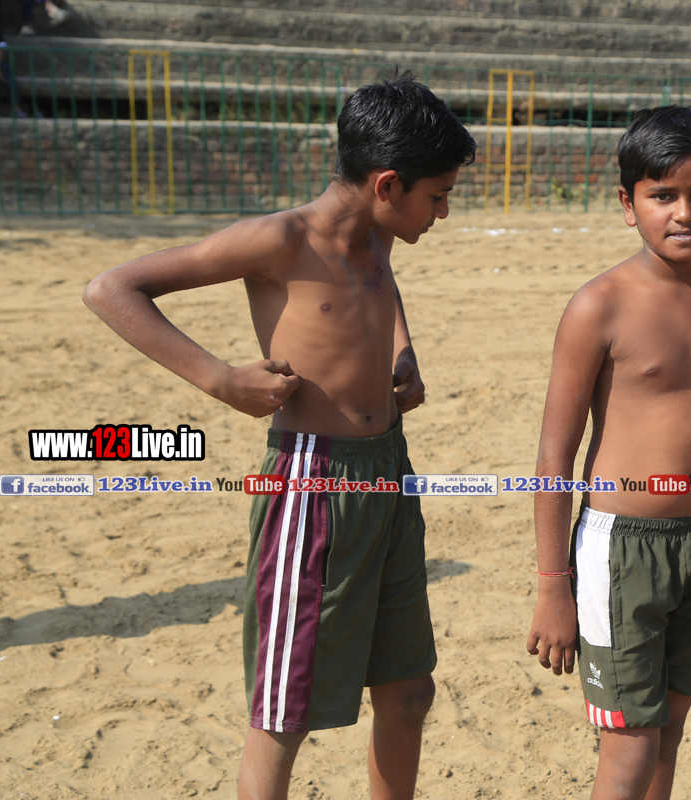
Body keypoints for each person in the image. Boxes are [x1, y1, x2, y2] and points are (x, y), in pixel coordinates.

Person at [82, 73, 476, 800]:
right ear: (387, 185)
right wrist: (220, 379)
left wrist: (402, 352)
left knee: (408, 690)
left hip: (390, 473)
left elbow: (382, 292)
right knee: (283, 713)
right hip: (312, 487)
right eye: (438, 195)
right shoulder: (279, 239)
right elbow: (111, 289)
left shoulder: (378, 234)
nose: (444, 212)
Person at [526, 105, 691, 800]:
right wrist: (552, 584)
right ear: (627, 204)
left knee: (671, 731)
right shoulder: (598, 306)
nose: (684, 212)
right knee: (630, 750)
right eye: (663, 195)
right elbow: (555, 455)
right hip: (620, 550)